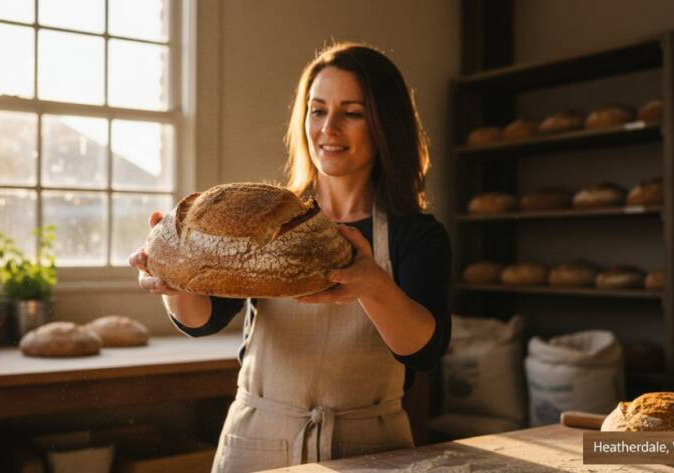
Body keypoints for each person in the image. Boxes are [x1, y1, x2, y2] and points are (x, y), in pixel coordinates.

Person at [129, 42, 452, 472]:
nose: (328, 128)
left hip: (371, 446)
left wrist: (374, 286)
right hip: (261, 441)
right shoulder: (268, 218)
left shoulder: (416, 234)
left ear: (384, 125)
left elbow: (424, 351)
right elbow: (202, 320)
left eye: (351, 113)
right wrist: (173, 280)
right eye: (317, 110)